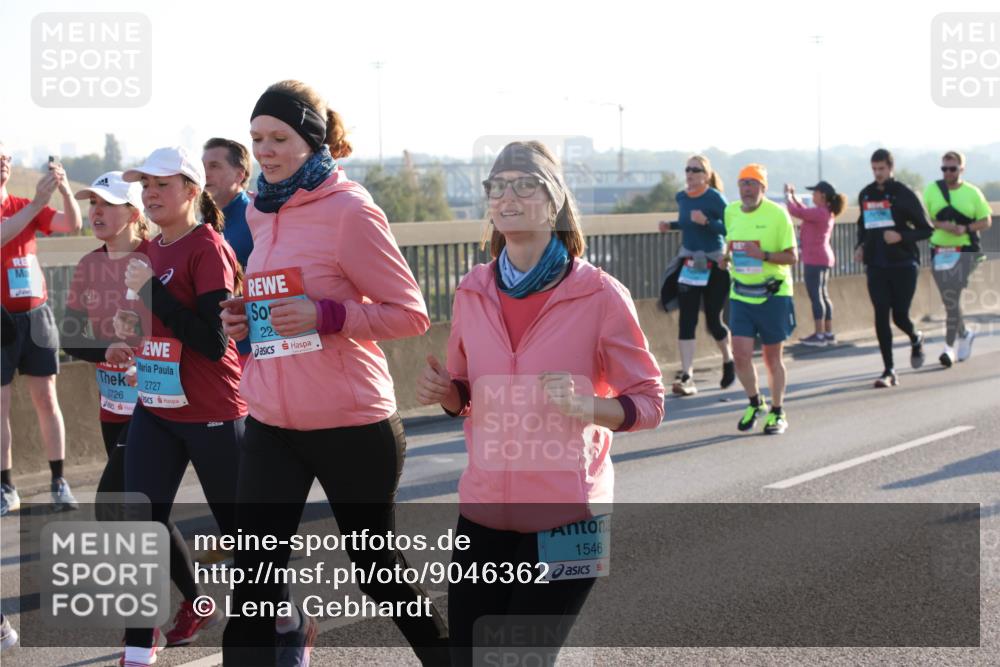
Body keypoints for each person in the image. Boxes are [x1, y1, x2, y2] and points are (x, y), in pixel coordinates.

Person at [219, 80, 448, 667]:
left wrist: (327, 315)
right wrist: (248, 318)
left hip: (351, 422)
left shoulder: (349, 210)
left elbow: (411, 313)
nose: (264, 151)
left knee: (378, 573)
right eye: (256, 139)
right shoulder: (258, 211)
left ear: (312, 140)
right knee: (252, 579)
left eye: (278, 138)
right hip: (272, 418)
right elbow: (278, 303)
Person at [416, 140, 665, 665]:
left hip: (569, 516)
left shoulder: (599, 295)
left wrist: (589, 406)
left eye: (525, 184)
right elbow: (466, 392)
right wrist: (449, 395)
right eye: (497, 185)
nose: (508, 195)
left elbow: (649, 402)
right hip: (483, 509)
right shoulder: (472, 290)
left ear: (553, 203)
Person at [59, 171, 223, 652]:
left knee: (120, 510)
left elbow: (190, 328)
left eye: (107, 204)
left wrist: (142, 349)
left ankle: (141, 629)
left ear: (134, 213)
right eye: (92, 204)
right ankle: (196, 601)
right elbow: (71, 337)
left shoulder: (153, 261)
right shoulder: (90, 265)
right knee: (148, 515)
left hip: (158, 406)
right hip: (114, 407)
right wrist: (105, 349)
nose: (96, 213)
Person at [116, 146, 246, 666]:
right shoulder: (148, 251)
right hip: (158, 406)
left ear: (191, 191)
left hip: (213, 409)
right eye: (145, 184)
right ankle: (139, 641)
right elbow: (163, 326)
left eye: (162, 184)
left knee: (243, 533)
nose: (150, 193)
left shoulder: (207, 247)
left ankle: (285, 620)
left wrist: (153, 295)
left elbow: (213, 341)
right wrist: (138, 345)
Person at [1, 142, 83, 514]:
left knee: (47, 398)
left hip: (36, 314)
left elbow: (72, 224)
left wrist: (64, 189)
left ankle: (58, 481)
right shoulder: (24, 208)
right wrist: (36, 204)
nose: (2, 163)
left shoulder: (25, 206)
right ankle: (6, 487)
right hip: (2, 318)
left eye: (5, 157)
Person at [724, 164, 798, 435]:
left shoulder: (778, 215)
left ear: (763, 188)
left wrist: (763, 255)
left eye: (753, 183)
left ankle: (778, 412)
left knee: (771, 358)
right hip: (741, 293)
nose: (747, 188)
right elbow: (731, 245)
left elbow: (792, 257)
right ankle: (755, 403)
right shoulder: (731, 211)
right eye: (743, 183)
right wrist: (726, 259)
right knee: (740, 356)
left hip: (773, 294)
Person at [855, 148, 934, 388]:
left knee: (900, 315)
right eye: (874, 169)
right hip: (876, 265)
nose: (878, 173)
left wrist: (900, 235)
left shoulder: (904, 194)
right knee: (880, 314)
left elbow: (926, 229)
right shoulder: (866, 194)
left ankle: (915, 336)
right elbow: (863, 225)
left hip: (903, 264)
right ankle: (889, 370)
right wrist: (860, 245)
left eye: (882, 169)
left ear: (891, 168)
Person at [657, 155, 733, 395]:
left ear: (706, 175)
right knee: (687, 319)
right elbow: (687, 223)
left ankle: (728, 359)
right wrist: (671, 225)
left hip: (715, 264)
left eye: (695, 169)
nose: (689, 173)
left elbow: (731, 227)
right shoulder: (681, 197)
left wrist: (708, 221)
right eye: (687, 169)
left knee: (713, 321)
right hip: (690, 264)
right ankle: (687, 375)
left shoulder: (715, 198)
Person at [923, 150, 993, 367]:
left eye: (952, 168)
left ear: (962, 169)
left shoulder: (973, 193)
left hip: (964, 249)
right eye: (944, 168)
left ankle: (948, 348)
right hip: (939, 249)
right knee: (948, 300)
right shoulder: (932, 190)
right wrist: (941, 225)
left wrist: (966, 227)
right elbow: (926, 218)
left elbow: (987, 220)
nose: (948, 172)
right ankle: (965, 333)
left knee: (952, 296)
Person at [203, 138, 254, 366]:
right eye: (202, 166)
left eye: (214, 166)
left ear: (239, 174)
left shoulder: (258, 218)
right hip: (218, 352)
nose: (205, 174)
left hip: (255, 350)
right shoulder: (204, 224)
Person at [784, 180, 847, 346]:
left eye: (815, 193)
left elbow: (795, 211)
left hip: (814, 258)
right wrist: (793, 197)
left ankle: (819, 335)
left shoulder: (820, 213)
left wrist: (788, 197)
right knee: (823, 295)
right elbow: (804, 211)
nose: (813, 195)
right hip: (823, 257)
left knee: (816, 296)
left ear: (823, 195)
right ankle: (827, 333)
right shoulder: (825, 212)